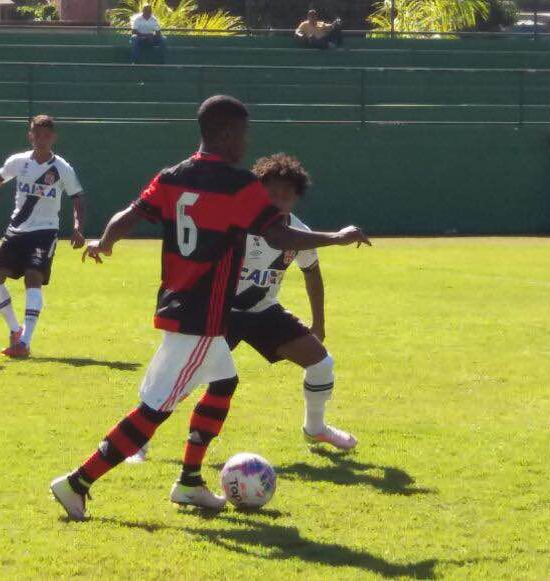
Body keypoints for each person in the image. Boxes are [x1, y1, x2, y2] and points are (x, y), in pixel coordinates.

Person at [49, 95, 371, 521]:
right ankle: (78, 482)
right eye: (242, 132)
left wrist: (105, 241)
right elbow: (280, 237)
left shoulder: (172, 176)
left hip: (179, 304)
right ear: (225, 133)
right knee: (156, 409)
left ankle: (189, 482)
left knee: (223, 381)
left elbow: (130, 214)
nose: (245, 141)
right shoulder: (237, 185)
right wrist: (337, 237)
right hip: (202, 315)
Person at [125, 152, 360, 464]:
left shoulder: (299, 232)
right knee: (181, 380)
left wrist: (320, 323)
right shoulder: (237, 223)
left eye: (285, 196)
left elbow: (312, 274)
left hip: (264, 312)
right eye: (271, 193)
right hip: (221, 313)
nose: (277, 201)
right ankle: (137, 442)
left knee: (321, 363)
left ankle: (314, 428)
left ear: (295, 199)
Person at [0, 115, 86, 359]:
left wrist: (78, 226)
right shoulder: (18, 162)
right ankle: (15, 330)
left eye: (46, 135)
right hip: (16, 230)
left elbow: (77, 196)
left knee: (33, 277)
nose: (41, 140)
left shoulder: (61, 168)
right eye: (36, 135)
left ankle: (25, 343)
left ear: (53, 138)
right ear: (30, 136)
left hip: (45, 232)